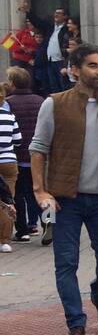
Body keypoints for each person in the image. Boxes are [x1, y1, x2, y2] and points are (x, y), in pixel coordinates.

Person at [28, 44, 98, 335]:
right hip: (64, 200)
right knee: (65, 263)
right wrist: (40, 190)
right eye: (92, 65)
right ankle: (76, 324)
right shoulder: (55, 104)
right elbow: (38, 149)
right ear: (74, 70)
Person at [5, 68, 44, 240]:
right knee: (41, 192)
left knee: (18, 194)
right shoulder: (41, 101)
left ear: (12, 83)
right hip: (40, 156)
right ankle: (46, 223)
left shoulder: (8, 103)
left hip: (18, 157)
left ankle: (22, 231)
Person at [0, 86, 19, 251]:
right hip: (8, 161)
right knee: (7, 200)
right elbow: (18, 139)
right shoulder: (9, 116)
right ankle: (4, 240)